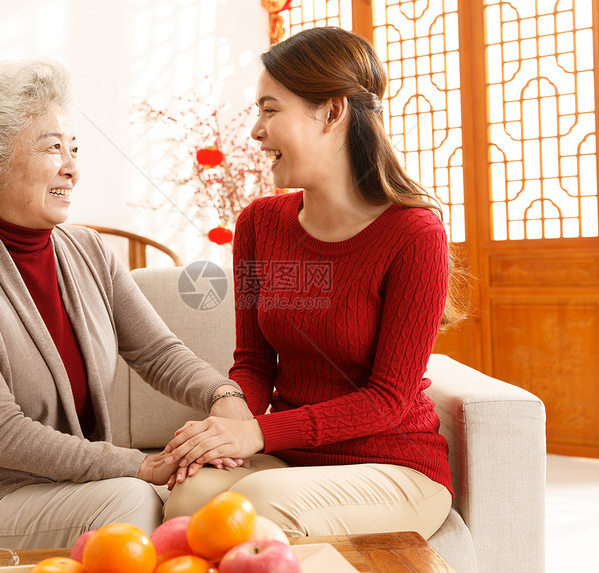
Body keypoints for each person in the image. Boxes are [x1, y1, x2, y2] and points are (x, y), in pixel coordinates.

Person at [0, 59, 251, 552]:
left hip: (62, 485)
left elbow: (157, 352)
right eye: (53, 148)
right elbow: (6, 435)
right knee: (132, 502)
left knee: (206, 493)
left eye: (74, 149)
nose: (72, 168)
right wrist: (140, 465)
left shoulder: (91, 251)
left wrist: (224, 397)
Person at [161, 26, 465, 540]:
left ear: (331, 112)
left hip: (393, 467)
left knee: (258, 504)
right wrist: (226, 421)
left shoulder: (414, 234)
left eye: (270, 109)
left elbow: (388, 399)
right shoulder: (258, 224)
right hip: (291, 460)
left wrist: (255, 432)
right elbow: (254, 363)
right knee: (190, 497)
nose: (255, 131)